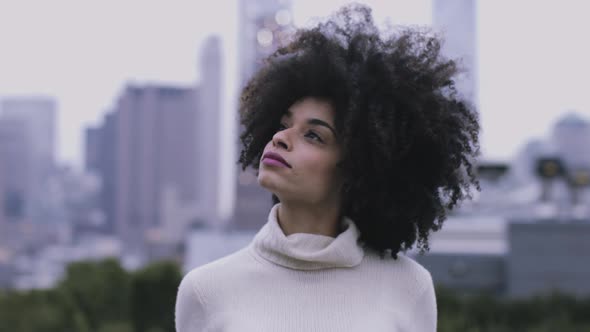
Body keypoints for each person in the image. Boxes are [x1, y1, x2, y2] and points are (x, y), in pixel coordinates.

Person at [175, 4, 479, 331]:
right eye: (283, 124)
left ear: (358, 166)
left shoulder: (409, 287)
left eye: (313, 135)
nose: (280, 138)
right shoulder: (205, 291)